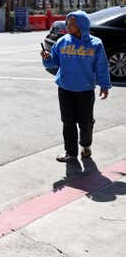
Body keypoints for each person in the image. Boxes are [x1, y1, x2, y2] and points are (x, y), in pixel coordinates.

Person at [41, 10, 111, 163]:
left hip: (85, 90)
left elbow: (101, 66)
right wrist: (47, 58)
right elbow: (54, 61)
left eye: (71, 24)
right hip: (65, 89)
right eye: (67, 24)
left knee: (86, 122)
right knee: (68, 122)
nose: (67, 27)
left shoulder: (95, 44)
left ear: (81, 25)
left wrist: (104, 85)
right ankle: (71, 153)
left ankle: (86, 146)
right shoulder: (63, 41)